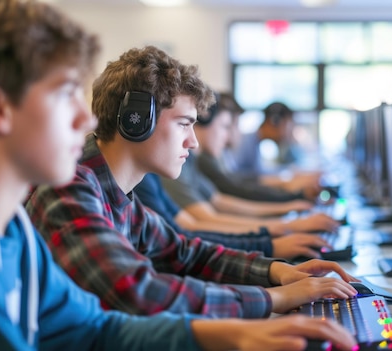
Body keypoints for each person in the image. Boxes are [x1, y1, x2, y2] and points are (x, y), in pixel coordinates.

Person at [0, 1, 358, 350]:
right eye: (66, 94)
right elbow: (136, 295)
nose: (86, 119)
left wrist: (255, 305)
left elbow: (102, 325)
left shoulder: (13, 230)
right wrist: (273, 300)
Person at [25, 45, 359, 319]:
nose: (193, 142)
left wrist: (275, 271)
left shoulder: (116, 193)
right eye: (184, 124)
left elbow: (183, 252)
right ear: (136, 120)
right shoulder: (70, 187)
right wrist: (274, 299)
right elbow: (137, 292)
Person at [159, 97, 340, 236]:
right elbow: (205, 218)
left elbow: (220, 200)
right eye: (226, 126)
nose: (230, 136)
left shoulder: (190, 164)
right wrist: (285, 224)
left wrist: (291, 207)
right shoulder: (186, 165)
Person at [135, 173, 331, 260]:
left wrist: (277, 228)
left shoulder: (150, 178)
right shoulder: (146, 183)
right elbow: (193, 231)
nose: (193, 141)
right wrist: (269, 238)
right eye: (184, 123)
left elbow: (185, 230)